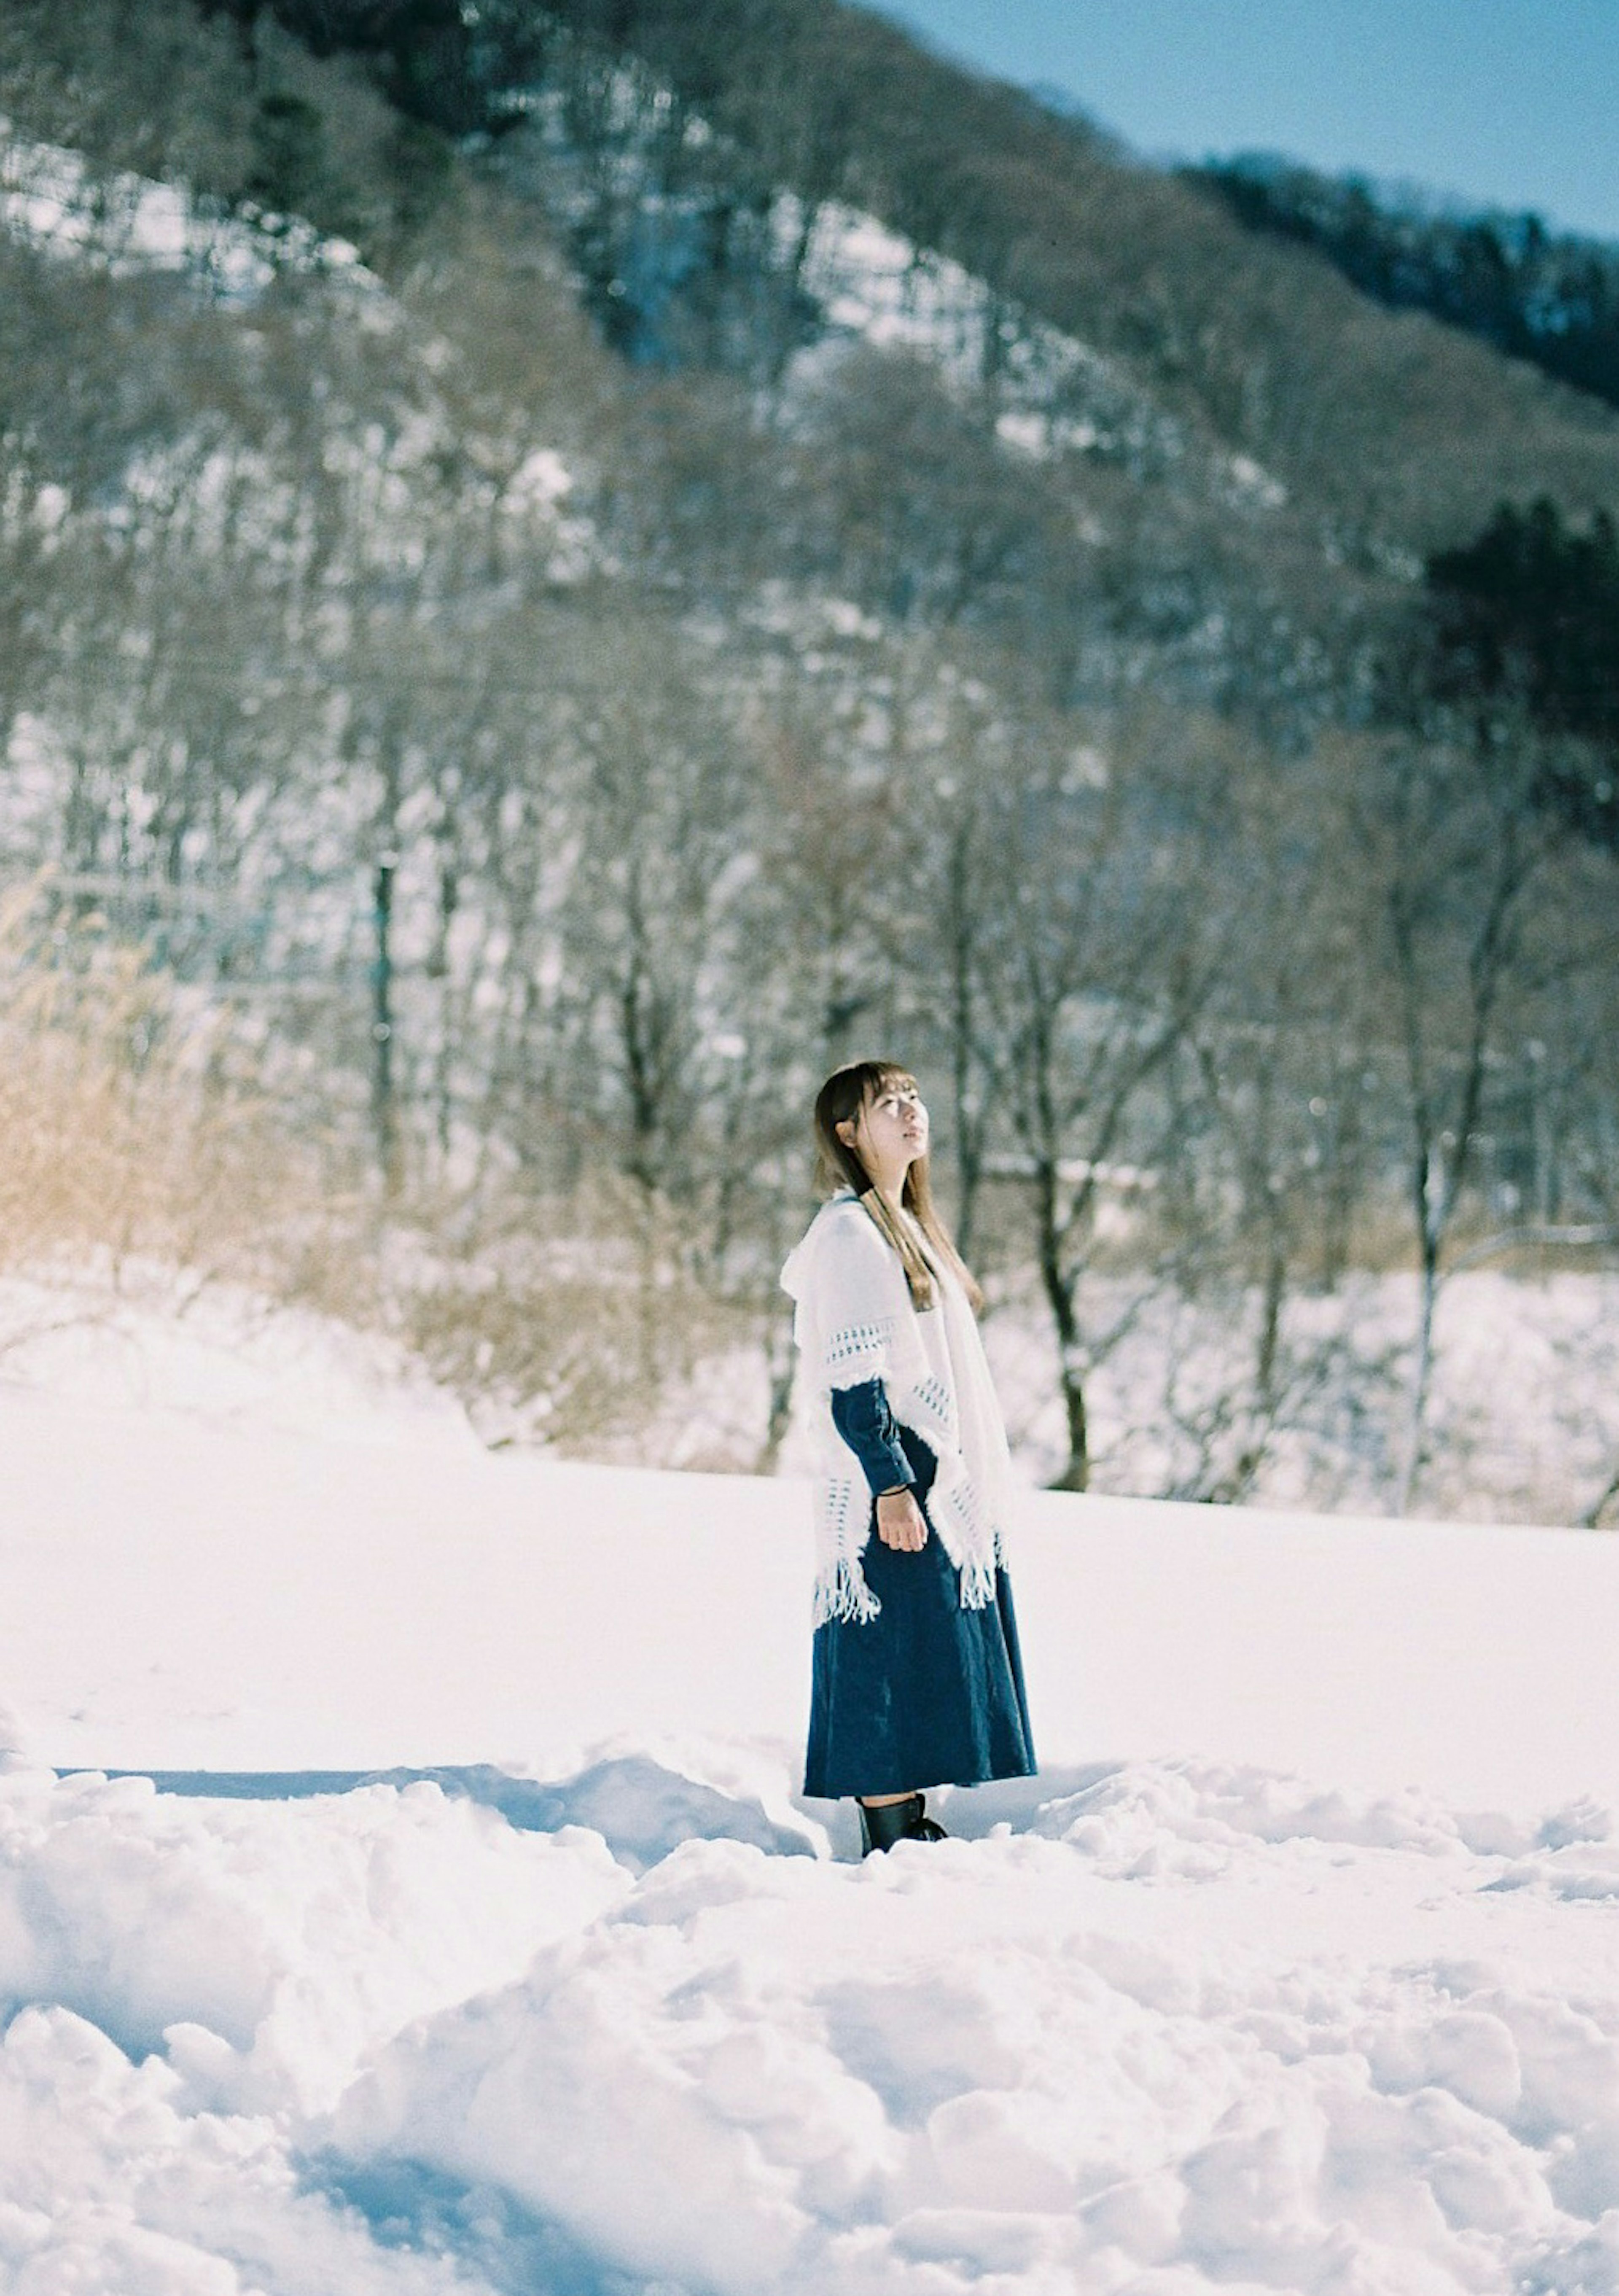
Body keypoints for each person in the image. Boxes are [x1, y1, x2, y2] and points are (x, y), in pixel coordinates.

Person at [780, 1059, 1036, 1855]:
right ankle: (890, 1832)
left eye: (915, 1097)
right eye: (887, 1103)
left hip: (927, 1471)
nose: (910, 1111)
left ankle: (908, 1824)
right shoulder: (852, 1231)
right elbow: (853, 1383)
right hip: (892, 1474)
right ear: (849, 1132)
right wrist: (891, 1485)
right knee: (884, 1649)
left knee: (922, 1645)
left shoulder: (907, 1224)